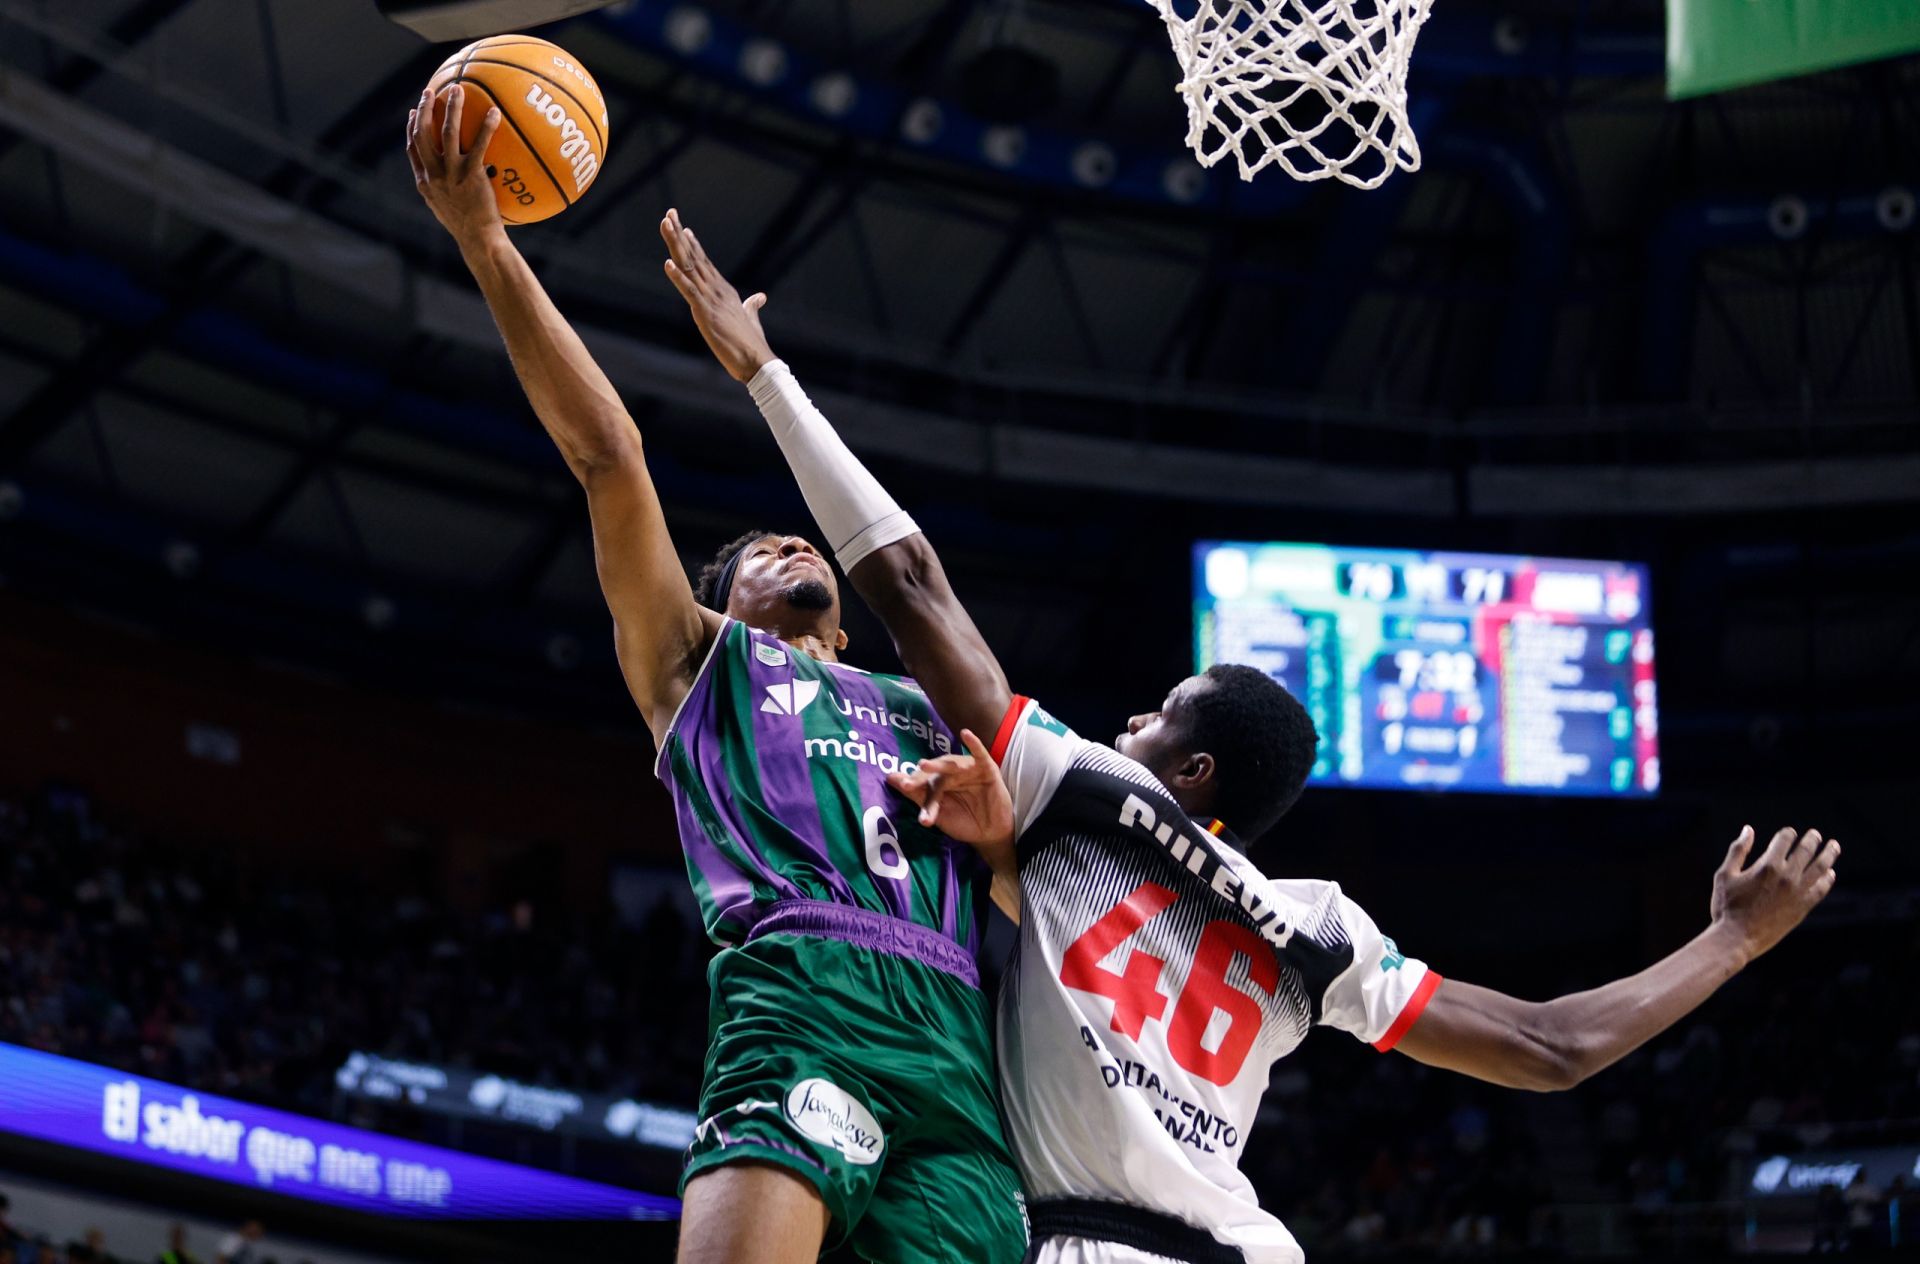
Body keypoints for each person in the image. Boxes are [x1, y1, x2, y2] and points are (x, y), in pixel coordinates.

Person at [659, 214, 1844, 1264]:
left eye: (1153, 712)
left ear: (1191, 769)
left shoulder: (1086, 795)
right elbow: (1553, 1044)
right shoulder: (1323, 924)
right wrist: (1734, 940)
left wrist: (764, 374)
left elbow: (911, 590)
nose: (1125, 721)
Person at [403, 90, 1025, 1264]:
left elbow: (1033, 908)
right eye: (754, 555)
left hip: (954, 1033)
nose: (790, 545)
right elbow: (606, 454)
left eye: (800, 540)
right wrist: (488, 244)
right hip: (800, 986)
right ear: (719, 600)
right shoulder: (700, 664)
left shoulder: (926, 708)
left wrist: (997, 847)